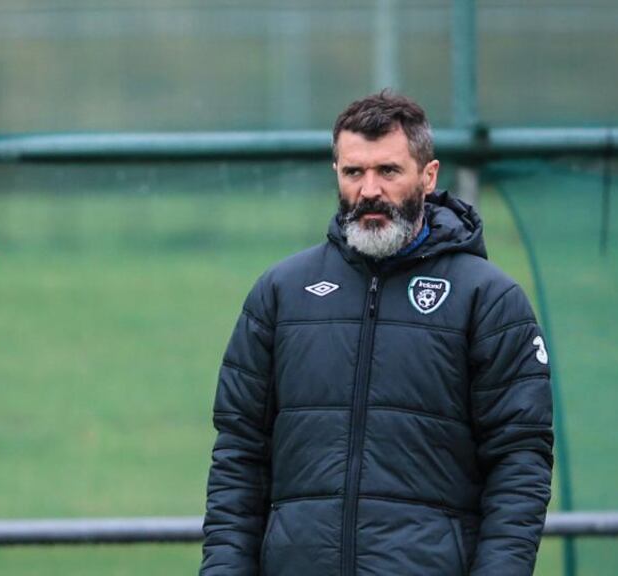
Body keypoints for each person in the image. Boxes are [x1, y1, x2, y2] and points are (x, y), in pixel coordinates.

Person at [201, 91, 553, 575]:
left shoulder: (489, 301)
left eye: (388, 171)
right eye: (353, 172)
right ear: (337, 174)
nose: (369, 190)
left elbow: (519, 464)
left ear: (427, 177)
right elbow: (239, 455)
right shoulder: (281, 293)